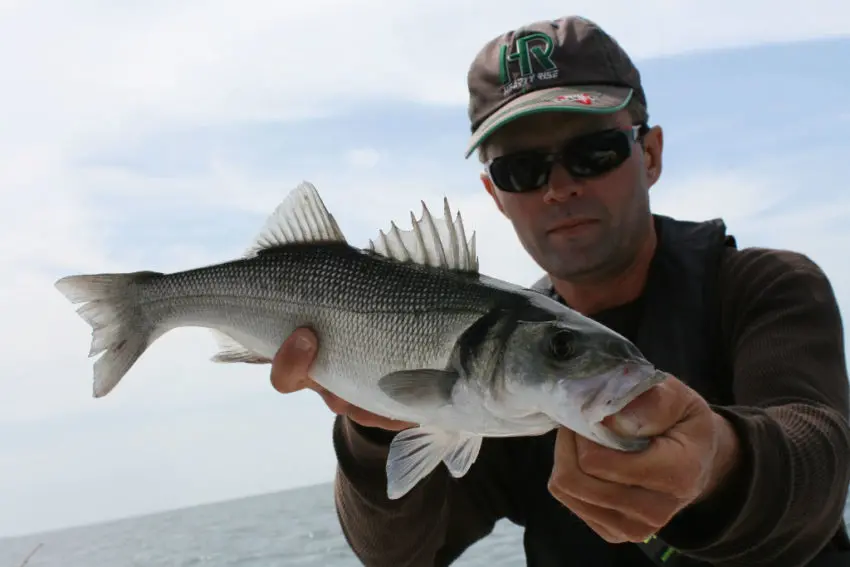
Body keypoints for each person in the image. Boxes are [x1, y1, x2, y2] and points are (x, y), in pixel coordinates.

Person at [269, 14, 850, 567]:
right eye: (521, 169)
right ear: (495, 195)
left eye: (592, 152)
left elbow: (820, 456)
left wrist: (718, 463)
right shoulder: (494, 362)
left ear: (649, 154)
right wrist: (376, 420)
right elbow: (402, 554)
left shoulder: (765, 287)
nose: (559, 188)